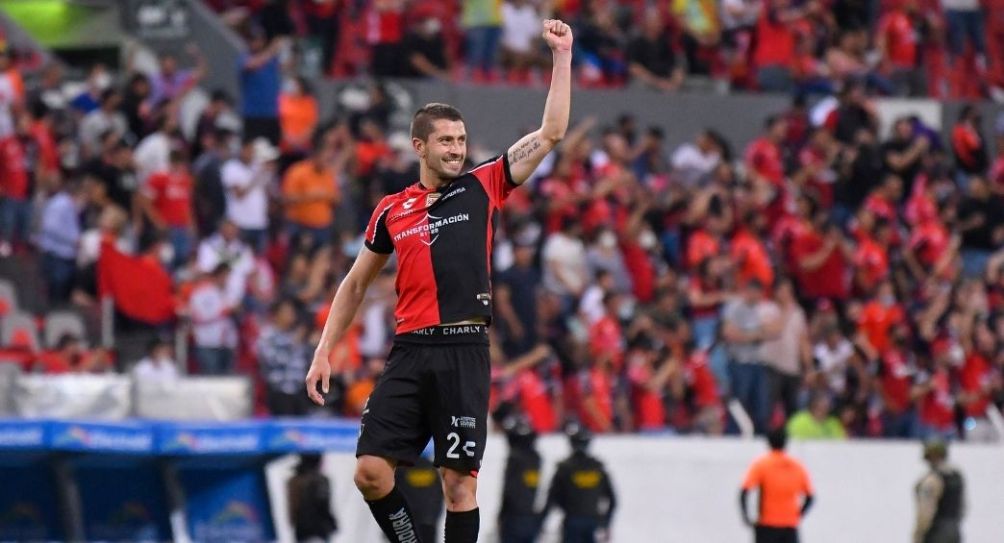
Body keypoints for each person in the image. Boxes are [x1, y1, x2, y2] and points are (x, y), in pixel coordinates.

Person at [304, 19, 573, 543]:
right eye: (445, 141)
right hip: (409, 351)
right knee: (370, 473)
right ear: (418, 147)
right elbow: (356, 284)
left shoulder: (484, 184)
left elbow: (551, 133)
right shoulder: (391, 209)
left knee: (457, 487)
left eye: (461, 139)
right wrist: (324, 350)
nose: (456, 148)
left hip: (463, 349)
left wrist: (561, 57)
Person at [539, 422, 617, 543]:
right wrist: (605, 523)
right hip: (592, 521)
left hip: (572, 520)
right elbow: (612, 499)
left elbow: (552, 498)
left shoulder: (564, 468)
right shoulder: (597, 468)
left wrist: (541, 521)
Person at [740, 428, 814, 543]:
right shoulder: (797, 466)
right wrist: (797, 515)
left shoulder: (762, 465)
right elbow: (810, 497)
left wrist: (747, 517)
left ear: (768, 443)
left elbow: (745, 492)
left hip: (767, 524)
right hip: (790, 526)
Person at [498, 414, 543, 543]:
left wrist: (502, 515)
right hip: (530, 514)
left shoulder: (514, 459)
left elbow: (509, 489)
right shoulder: (536, 459)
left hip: (513, 517)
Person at [914, 439, 965, 543]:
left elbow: (926, 511)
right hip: (954, 530)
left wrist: (919, 533)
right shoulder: (956, 476)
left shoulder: (932, 479)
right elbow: (963, 506)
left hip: (936, 532)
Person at [287, 453, 338, 543]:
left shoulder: (294, 481)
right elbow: (324, 505)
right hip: (319, 530)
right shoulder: (321, 480)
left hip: (302, 531)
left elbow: (292, 513)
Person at [395, 455, 446, 543]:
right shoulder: (430, 467)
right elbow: (439, 494)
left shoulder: (401, 468)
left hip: (408, 522)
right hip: (426, 520)